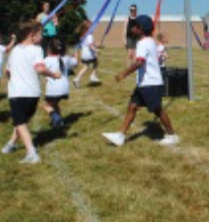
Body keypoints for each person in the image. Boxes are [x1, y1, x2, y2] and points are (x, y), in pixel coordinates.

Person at [103, 15, 177, 147]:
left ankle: (172, 136)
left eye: (134, 27)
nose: (132, 29)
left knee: (158, 110)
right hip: (144, 83)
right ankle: (120, 136)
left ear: (141, 29)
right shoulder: (150, 42)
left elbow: (139, 63)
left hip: (151, 84)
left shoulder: (143, 43)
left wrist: (124, 73)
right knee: (132, 107)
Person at [0, 22, 53, 164]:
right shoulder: (37, 50)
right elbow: (40, 68)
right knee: (22, 122)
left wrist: (53, 74)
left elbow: (8, 72)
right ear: (31, 35)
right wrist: (54, 74)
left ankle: (31, 153)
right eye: (40, 34)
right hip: (33, 93)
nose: (42, 37)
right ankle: (11, 144)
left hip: (17, 93)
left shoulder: (15, 50)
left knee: (20, 122)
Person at [75, 20, 100, 85]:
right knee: (96, 63)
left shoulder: (83, 36)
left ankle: (77, 79)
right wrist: (96, 50)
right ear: (88, 29)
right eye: (91, 27)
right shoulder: (89, 36)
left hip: (84, 54)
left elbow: (90, 44)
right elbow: (90, 46)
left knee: (86, 66)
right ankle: (93, 76)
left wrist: (96, 44)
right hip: (89, 54)